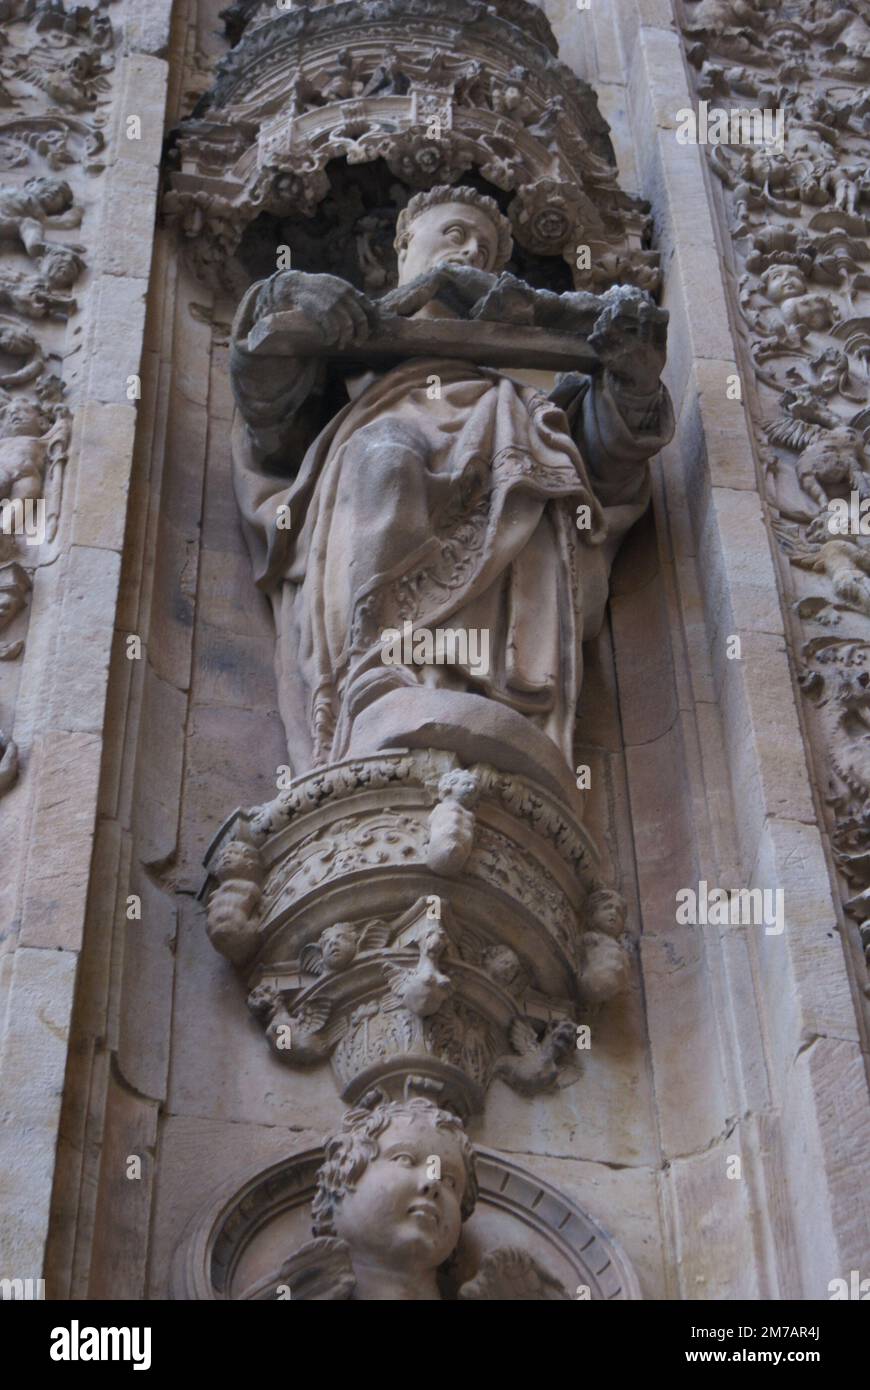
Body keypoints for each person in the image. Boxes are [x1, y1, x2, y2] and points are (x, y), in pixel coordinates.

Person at [230, 186, 674, 774]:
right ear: (403, 243)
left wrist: (633, 384)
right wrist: (280, 294)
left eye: (485, 248)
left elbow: (611, 471)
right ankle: (373, 675)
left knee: (529, 490)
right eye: (455, 234)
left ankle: (488, 699)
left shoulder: (521, 391)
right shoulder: (349, 347)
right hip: (384, 436)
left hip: (497, 435)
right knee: (386, 459)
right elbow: (270, 424)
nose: (471, 253)